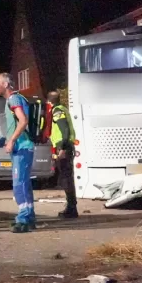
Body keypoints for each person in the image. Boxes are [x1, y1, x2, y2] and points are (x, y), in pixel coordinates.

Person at [0, 73, 36, 232]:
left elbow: (23, 120)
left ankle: (23, 218)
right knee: (25, 183)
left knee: (19, 183)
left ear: (5, 84)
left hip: (22, 148)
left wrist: (11, 141)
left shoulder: (13, 99)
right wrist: (6, 139)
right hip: (24, 146)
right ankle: (29, 217)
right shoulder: (16, 99)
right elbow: (18, 125)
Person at [47, 90, 78, 219]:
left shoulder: (57, 111)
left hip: (63, 147)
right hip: (64, 146)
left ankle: (71, 208)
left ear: (49, 102)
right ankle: (71, 207)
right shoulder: (62, 108)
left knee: (66, 178)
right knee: (66, 177)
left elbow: (63, 129)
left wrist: (62, 148)